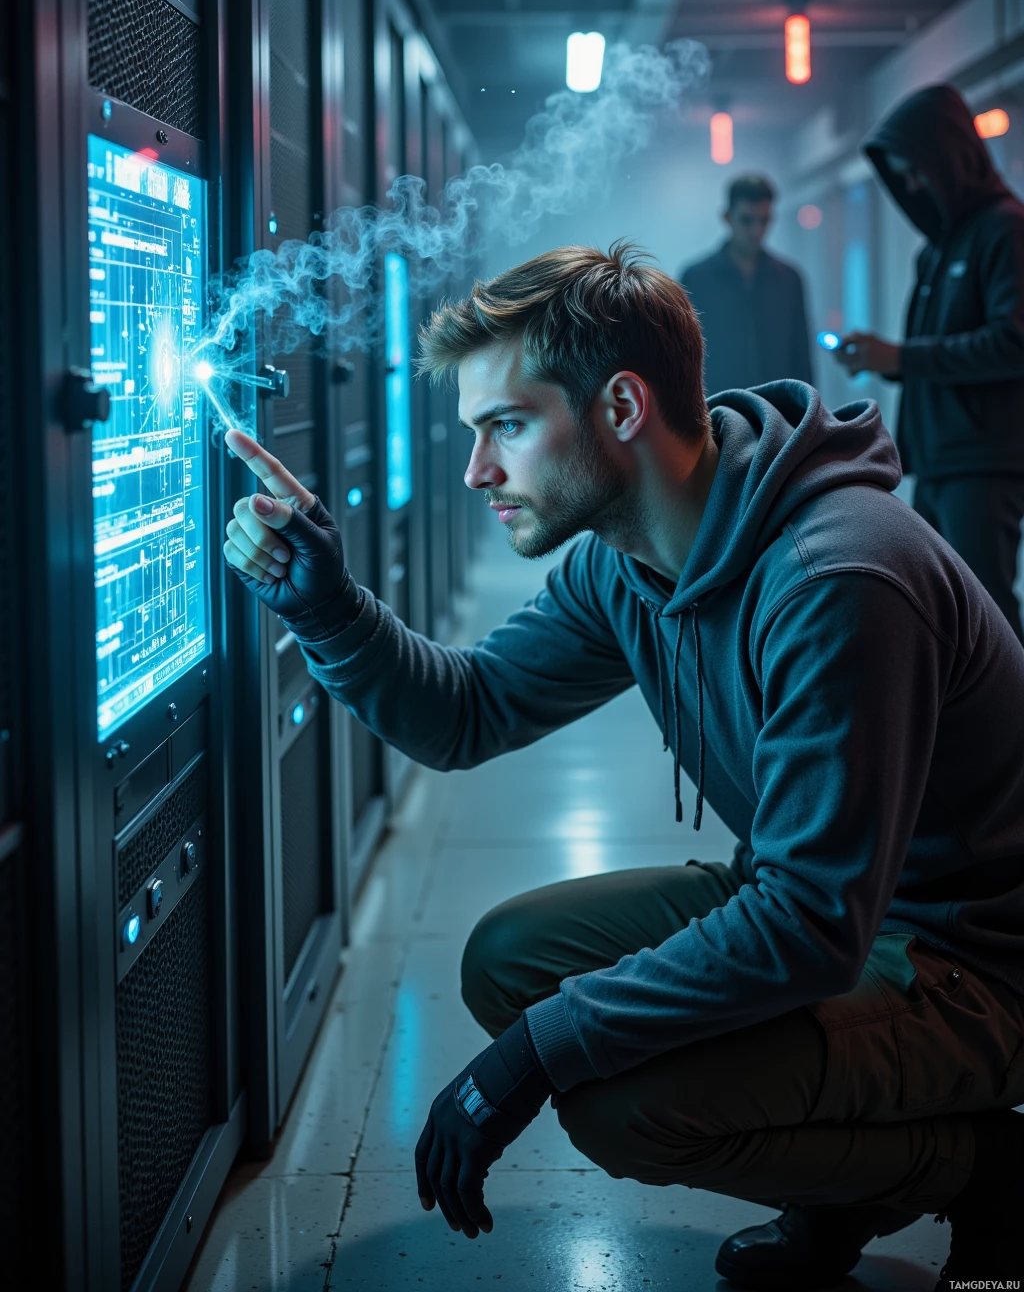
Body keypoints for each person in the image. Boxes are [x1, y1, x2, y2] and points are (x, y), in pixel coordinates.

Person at [223, 244, 1024, 1292]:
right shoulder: (627, 562)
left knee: (626, 1108)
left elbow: (813, 925)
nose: (476, 471)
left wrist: (537, 1054)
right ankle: (848, 1170)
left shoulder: (840, 578)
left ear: (621, 408)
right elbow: (469, 713)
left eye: (505, 426)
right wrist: (326, 605)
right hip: (838, 910)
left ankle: (986, 1171)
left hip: (971, 963)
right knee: (510, 958)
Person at [828, 83, 1024, 640]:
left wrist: (903, 355)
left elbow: (1013, 343)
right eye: (900, 175)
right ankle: (970, 728)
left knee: (988, 612)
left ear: (949, 157)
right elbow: (937, 353)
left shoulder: (1005, 229)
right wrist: (887, 360)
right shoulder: (937, 249)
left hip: (983, 461)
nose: (910, 185)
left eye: (914, 169)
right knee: (950, 614)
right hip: (937, 461)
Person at [679, 173, 813, 393]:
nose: (756, 230)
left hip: (779, 411)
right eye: (747, 220)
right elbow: (683, 355)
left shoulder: (789, 278)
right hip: (715, 412)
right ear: (727, 217)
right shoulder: (696, 278)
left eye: (764, 220)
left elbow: (801, 356)